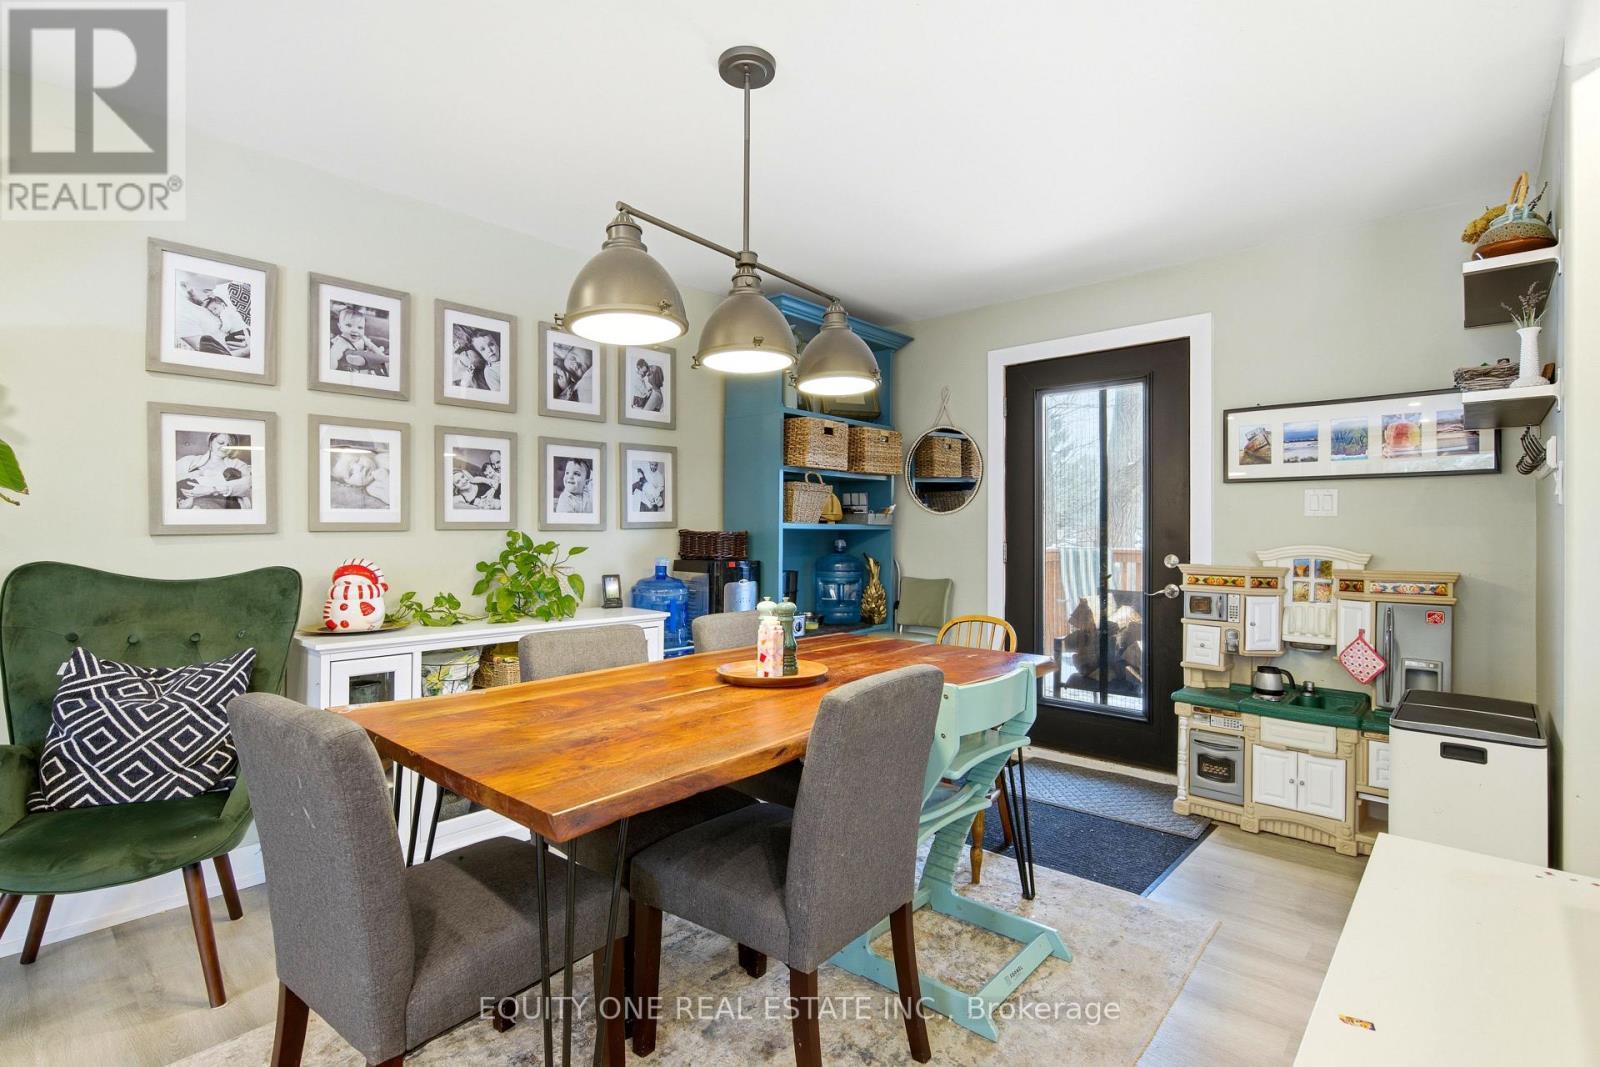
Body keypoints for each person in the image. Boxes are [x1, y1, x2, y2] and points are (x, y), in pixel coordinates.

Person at [175, 432, 251, 509]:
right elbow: (167, 479)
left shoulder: (237, 464)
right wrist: (195, 474)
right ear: (211, 442)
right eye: (220, 443)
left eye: (229, 445)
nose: (225, 447)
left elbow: (246, 485)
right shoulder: (189, 460)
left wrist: (212, 490)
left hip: (219, 505)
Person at [330, 305, 390, 376]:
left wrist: (381, 354)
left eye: (360, 327)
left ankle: (382, 359)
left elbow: (372, 346)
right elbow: (333, 355)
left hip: (366, 359)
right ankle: (378, 360)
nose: (355, 330)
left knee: (378, 350)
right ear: (340, 326)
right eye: (349, 325)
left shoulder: (362, 338)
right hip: (352, 366)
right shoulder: (342, 342)